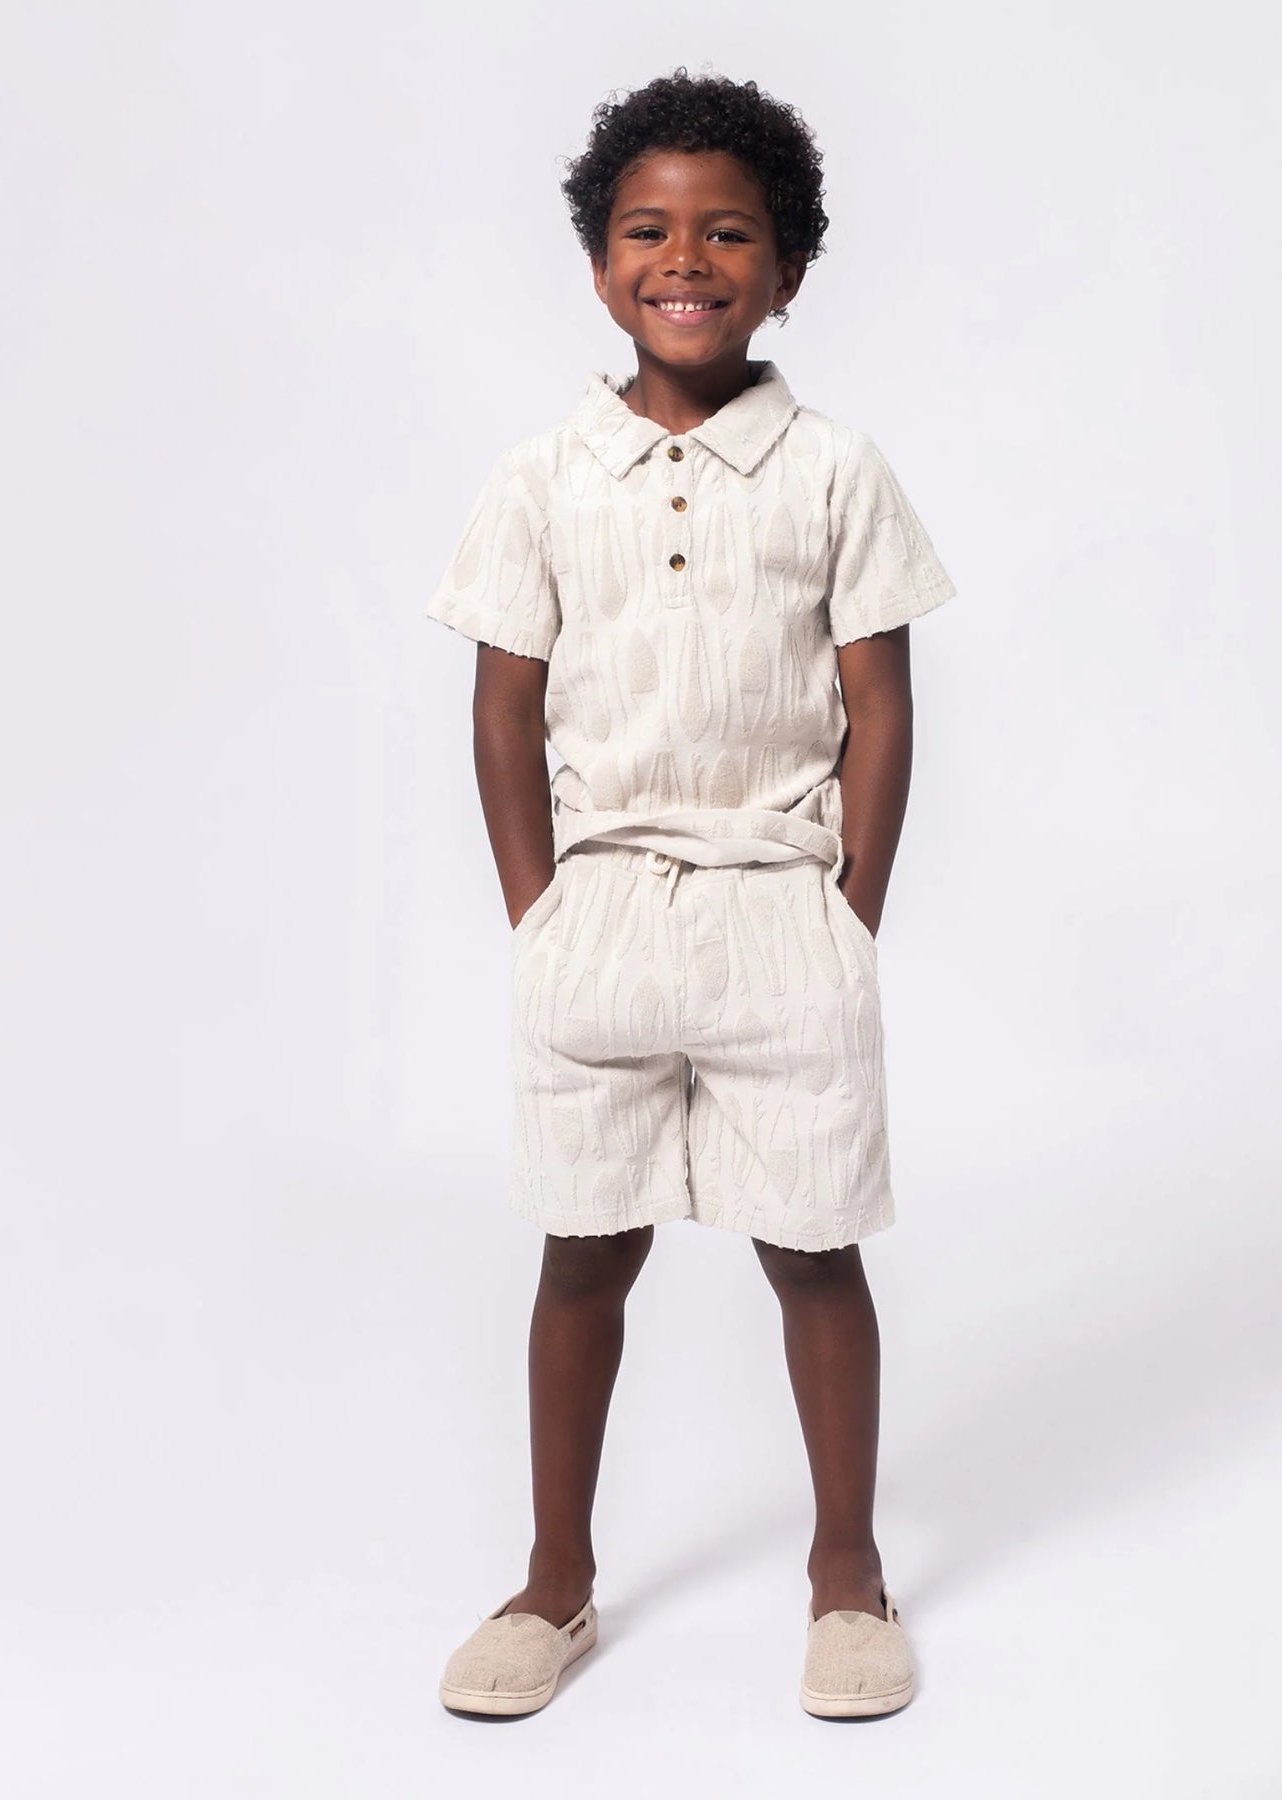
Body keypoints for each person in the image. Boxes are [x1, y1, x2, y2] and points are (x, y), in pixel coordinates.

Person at [425, 68, 956, 1720]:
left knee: (815, 1252)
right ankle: (555, 1583)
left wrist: (848, 910)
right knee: (584, 1255)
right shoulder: (542, 478)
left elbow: (881, 702)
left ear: (788, 268)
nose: (687, 259)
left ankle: (847, 1574)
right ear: (600, 266)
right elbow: (503, 706)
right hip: (601, 919)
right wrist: (540, 911)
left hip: (781, 915)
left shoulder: (836, 472)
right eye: (648, 230)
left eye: (730, 233)